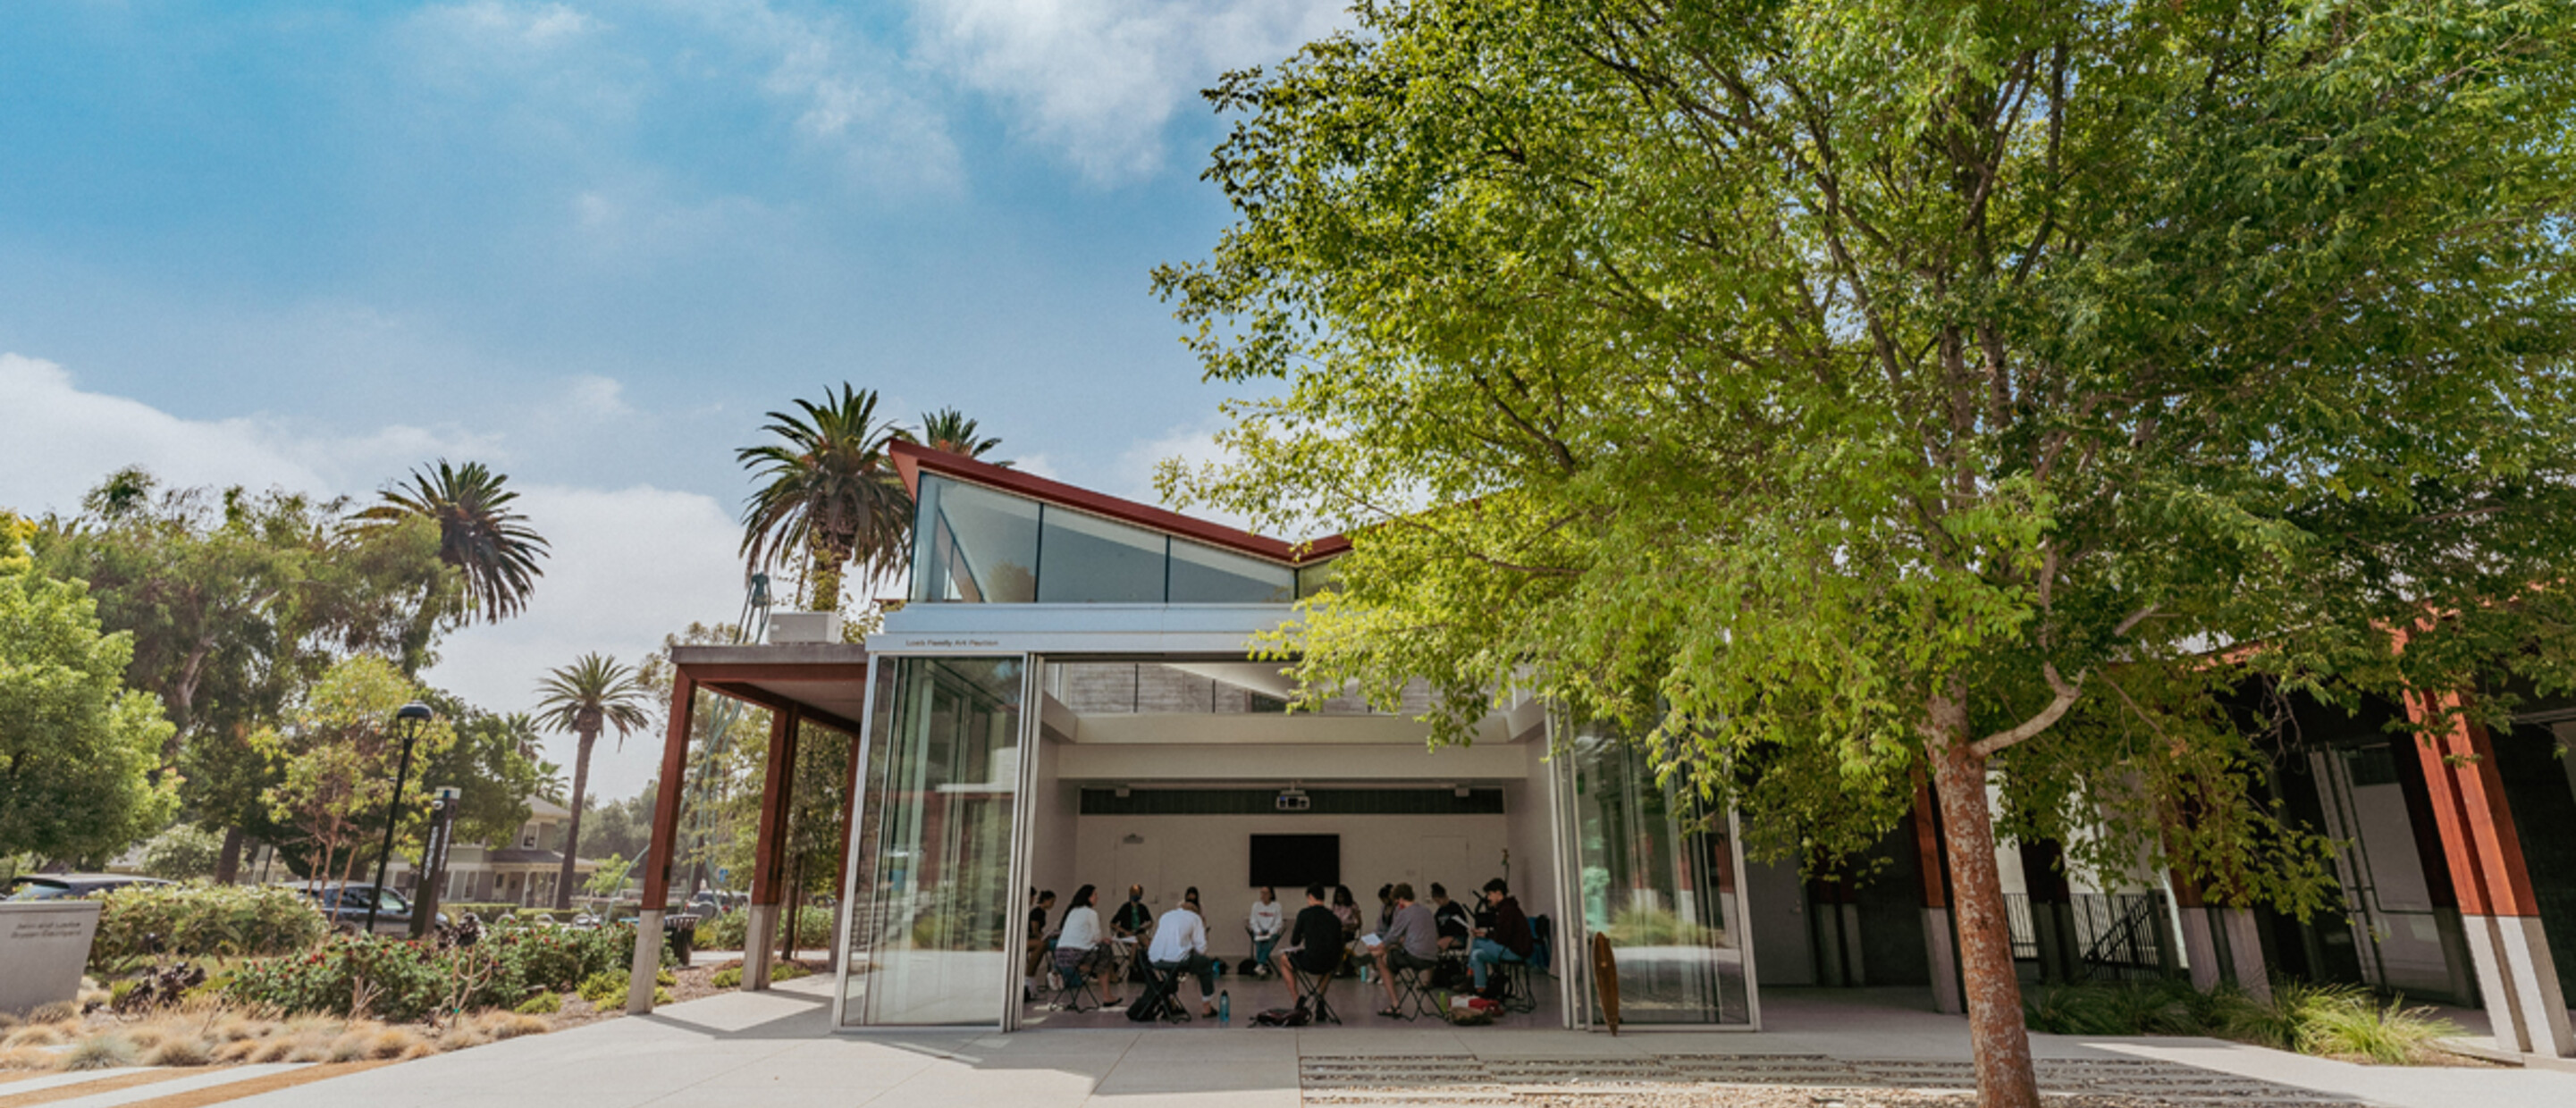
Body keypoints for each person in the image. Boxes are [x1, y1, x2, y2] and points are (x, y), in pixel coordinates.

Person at [1369, 883, 1439, 1017]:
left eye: (1396, 902)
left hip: (1415, 957)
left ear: (1400, 899)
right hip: (1431, 959)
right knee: (1389, 953)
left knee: (1381, 960)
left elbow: (1392, 936)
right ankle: (1384, 961)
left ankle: (1395, 1005)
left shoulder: (1405, 913)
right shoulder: (1426, 911)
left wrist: (1376, 947)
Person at [1147, 894, 1221, 1017]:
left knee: (1170, 970)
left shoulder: (1166, 916)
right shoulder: (1195, 918)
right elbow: (1201, 948)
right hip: (1177, 960)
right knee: (1205, 964)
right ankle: (1207, 1007)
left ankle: (1171, 1003)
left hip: (1155, 959)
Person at [1270, 884, 1344, 997]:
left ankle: (1296, 1000)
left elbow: (1294, 941)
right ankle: (1321, 998)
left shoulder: (1304, 914)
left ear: (1310, 897)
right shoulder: (1333, 918)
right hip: (1331, 962)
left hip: (1311, 961)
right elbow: (1339, 944)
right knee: (1326, 968)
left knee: (1284, 959)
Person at [1051, 885, 1120, 1006]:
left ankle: (1057, 972)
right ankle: (1106, 995)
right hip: (1077, 955)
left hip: (1060, 956)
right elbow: (1097, 937)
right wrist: (1104, 940)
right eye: (1095, 895)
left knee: (1098, 952)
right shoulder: (1091, 913)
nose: (1097, 898)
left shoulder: (1072, 912)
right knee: (1105, 950)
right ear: (1088, 897)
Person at [1469, 878, 1534, 993]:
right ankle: (1480, 988)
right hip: (1514, 949)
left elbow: (1502, 938)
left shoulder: (1507, 911)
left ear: (1498, 894)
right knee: (1477, 954)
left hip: (1515, 951)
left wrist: (1486, 935)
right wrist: (1485, 934)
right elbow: (1502, 935)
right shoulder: (1509, 908)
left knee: (1477, 942)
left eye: (1489, 894)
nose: (1488, 898)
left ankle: (1470, 974)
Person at [1023, 889, 1057, 1002]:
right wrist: (1044, 936)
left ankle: (1031, 982)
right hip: (1030, 938)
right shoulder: (1037, 912)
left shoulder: (1042, 912)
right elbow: (1034, 930)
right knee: (1043, 945)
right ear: (1046, 900)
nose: (1052, 905)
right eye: (1052, 902)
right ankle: (1030, 976)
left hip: (1034, 937)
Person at [1248, 886, 1283, 975]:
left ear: (1271, 895)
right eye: (1262, 893)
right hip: (1259, 931)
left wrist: (1271, 932)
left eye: (1265, 893)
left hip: (1271, 932)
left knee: (1269, 943)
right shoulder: (1256, 905)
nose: (1263, 895)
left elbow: (1278, 923)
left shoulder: (1277, 906)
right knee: (1259, 943)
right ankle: (1262, 965)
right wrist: (1258, 930)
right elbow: (1253, 920)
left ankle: (1260, 964)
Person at [1329, 886, 1362, 974]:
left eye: (1342, 897)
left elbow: (1358, 923)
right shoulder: (1334, 906)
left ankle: (1339, 966)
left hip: (1349, 931)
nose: (1340, 899)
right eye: (1338, 897)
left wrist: (1348, 928)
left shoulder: (1353, 906)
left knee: (1340, 939)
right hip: (1336, 930)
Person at [1429, 883, 1472, 952]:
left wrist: (1450, 937)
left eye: (1438, 901)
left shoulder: (1455, 908)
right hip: (1444, 938)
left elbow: (1463, 926)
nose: (1438, 903)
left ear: (1443, 897)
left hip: (1457, 937)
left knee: (1440, 944)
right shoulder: (1439, 912)